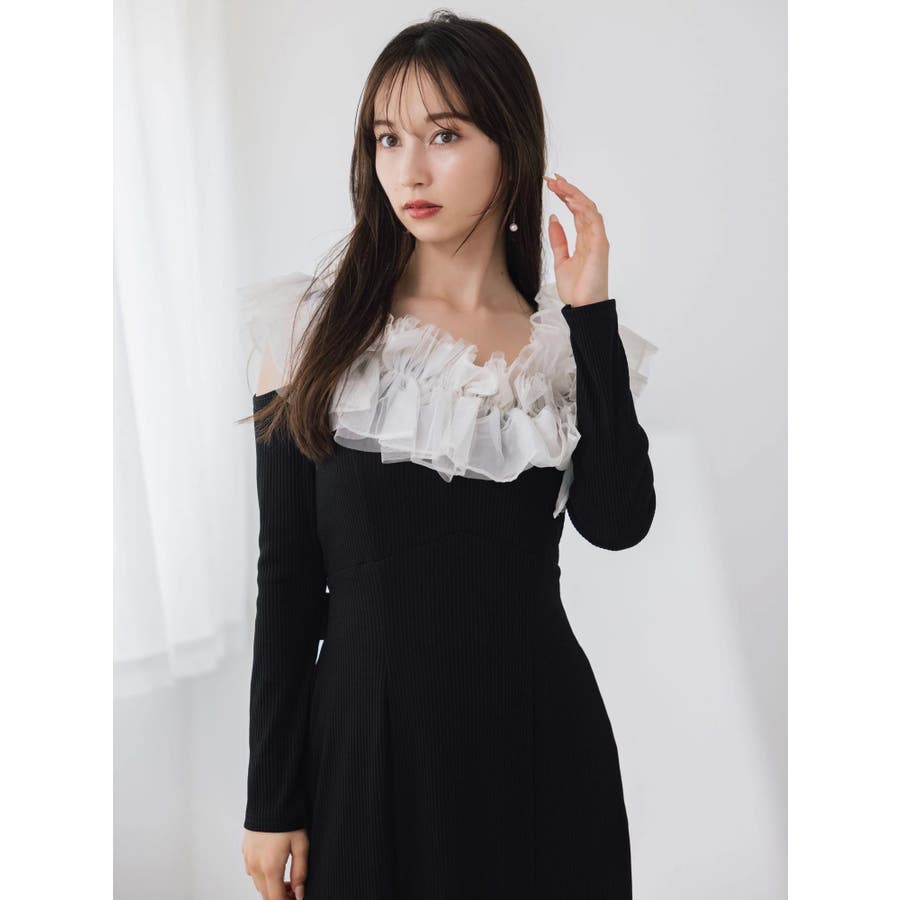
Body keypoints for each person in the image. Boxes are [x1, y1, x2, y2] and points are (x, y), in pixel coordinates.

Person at [238, 11, 658, 900]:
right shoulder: (310, 333)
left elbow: (618, 524)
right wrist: (270, 799)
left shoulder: (558, 350)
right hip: (367, 755)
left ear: (512, 147)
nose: (410, 170)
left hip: (542, 751)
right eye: (387, 138)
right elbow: (288, 580)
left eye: (445, 135)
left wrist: (591, 316)